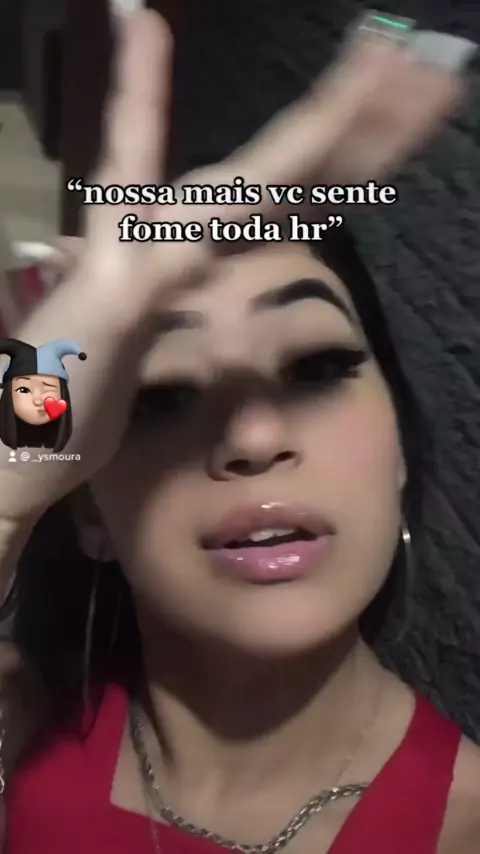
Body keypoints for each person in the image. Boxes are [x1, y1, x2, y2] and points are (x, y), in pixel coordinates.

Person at [0, 8, 478, 854]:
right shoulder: (17, 731)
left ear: (401, 450)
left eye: (317, 367)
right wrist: (13, 469)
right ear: (88, 506)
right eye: (159, 398)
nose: (254, 439)